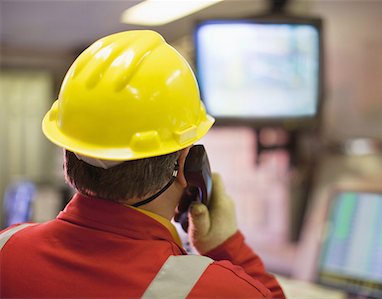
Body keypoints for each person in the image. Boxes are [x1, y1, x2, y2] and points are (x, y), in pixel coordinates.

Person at [0, 30, 285, 298]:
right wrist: (226, 243)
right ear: (188, 164)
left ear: (67, 155)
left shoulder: (6, 249)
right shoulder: (217, 290)